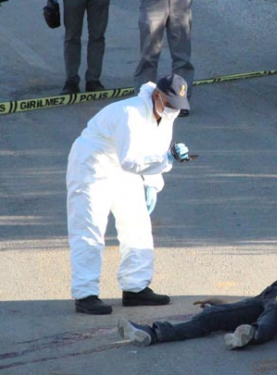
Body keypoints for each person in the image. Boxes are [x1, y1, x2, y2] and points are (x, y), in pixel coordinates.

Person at [66, 73, 193, 315]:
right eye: (170, 104)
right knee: (89, 227)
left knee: (137, 226)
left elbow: (154, 149)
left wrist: (153, 184)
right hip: (91, 166)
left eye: (177, 107)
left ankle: (135, 288)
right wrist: (167, 160)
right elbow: (131, 161)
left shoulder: (165, 114)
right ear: (158, 95)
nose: (173, 111)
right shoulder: (130, 113)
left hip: (123, 166)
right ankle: (85, 294)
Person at [118, 275, 277, 350]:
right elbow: (247, 304)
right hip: (264, 296)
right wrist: (223, 303)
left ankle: (252, 334)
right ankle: (154, 333)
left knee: (276, 310)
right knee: (213, 315)